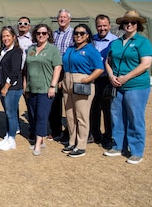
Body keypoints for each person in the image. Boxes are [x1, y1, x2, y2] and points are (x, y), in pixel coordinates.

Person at [104, 10, 152, 165]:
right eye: (126, 22)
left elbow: (146, 64)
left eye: (133, 22)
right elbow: (108, 60)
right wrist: (111, 76)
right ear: (122, 25)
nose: (129, 25)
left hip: (136, 85)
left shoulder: (143, 42)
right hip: (117, 85)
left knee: (134, 117)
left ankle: (137, 151)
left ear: (137, 25)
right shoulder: (116, 42)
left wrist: (126, 77)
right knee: (117, 116)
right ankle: (118, 146)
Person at [61, 24, 104, 158]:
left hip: (81, 80)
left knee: (81, 115)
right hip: (67, 80)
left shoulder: (91, 50)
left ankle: (81, 145)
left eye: (81, 33)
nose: (78, 36)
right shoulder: (71, 48)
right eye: (76, 33)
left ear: (87, 35)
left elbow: (99, 68)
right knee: (70, 115)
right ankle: (72, 142)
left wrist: (87, 79)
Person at [24, 24, 62, 156]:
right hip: (32, 87)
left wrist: (53, 85)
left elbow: (57, 67)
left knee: (41, 115)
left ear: (48, 35)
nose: (41, 35)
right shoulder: (31, 49)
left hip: (46, 88)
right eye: (39, 33)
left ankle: (38, 143)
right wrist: (26, 86)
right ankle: (41, 139)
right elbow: (27, 68)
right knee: (33, 115)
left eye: (44, 33)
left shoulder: (53, 50)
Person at [90, 14, 118, 148]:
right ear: (96, 26)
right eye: (99, 26)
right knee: (93, 108)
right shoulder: (92, 40)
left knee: (108, 110)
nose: (102, 28)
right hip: (93, 79)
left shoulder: (115, 41)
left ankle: (108, 137)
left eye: (104, 25)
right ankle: (95, 134)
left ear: (109, 26)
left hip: (107, 79)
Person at [0, 26, 23, 151]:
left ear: (13, 37)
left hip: (12, 88)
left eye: (8, 36)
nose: (5, 38)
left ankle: (12, 139)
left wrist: (6, 86)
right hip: (4, 87)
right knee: (8, 113)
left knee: (11, 114)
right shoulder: (4, 50)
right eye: (4, 36)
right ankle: (8, 136)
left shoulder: (16, 52)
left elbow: (15, 71)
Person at [50, 9, 74, 141]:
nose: (62, 19)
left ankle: (69, 131)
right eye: (60, 17)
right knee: (54, 101)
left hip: (68, 69)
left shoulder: (74, 33)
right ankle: (56, 130)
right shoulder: (54, 34)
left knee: (69, 102)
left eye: (65, 17)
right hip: (55, 70)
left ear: (69, 19)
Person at [17, 16, 33, 138]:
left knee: (30, 102)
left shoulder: (33, 40)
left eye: (25, 23)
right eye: (20, 23)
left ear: (29, 26)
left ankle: (33, 129)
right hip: (16, 73)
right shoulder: (13, 39)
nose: (22, 25)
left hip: (28, 73)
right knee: (13, 101)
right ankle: (15, 126)